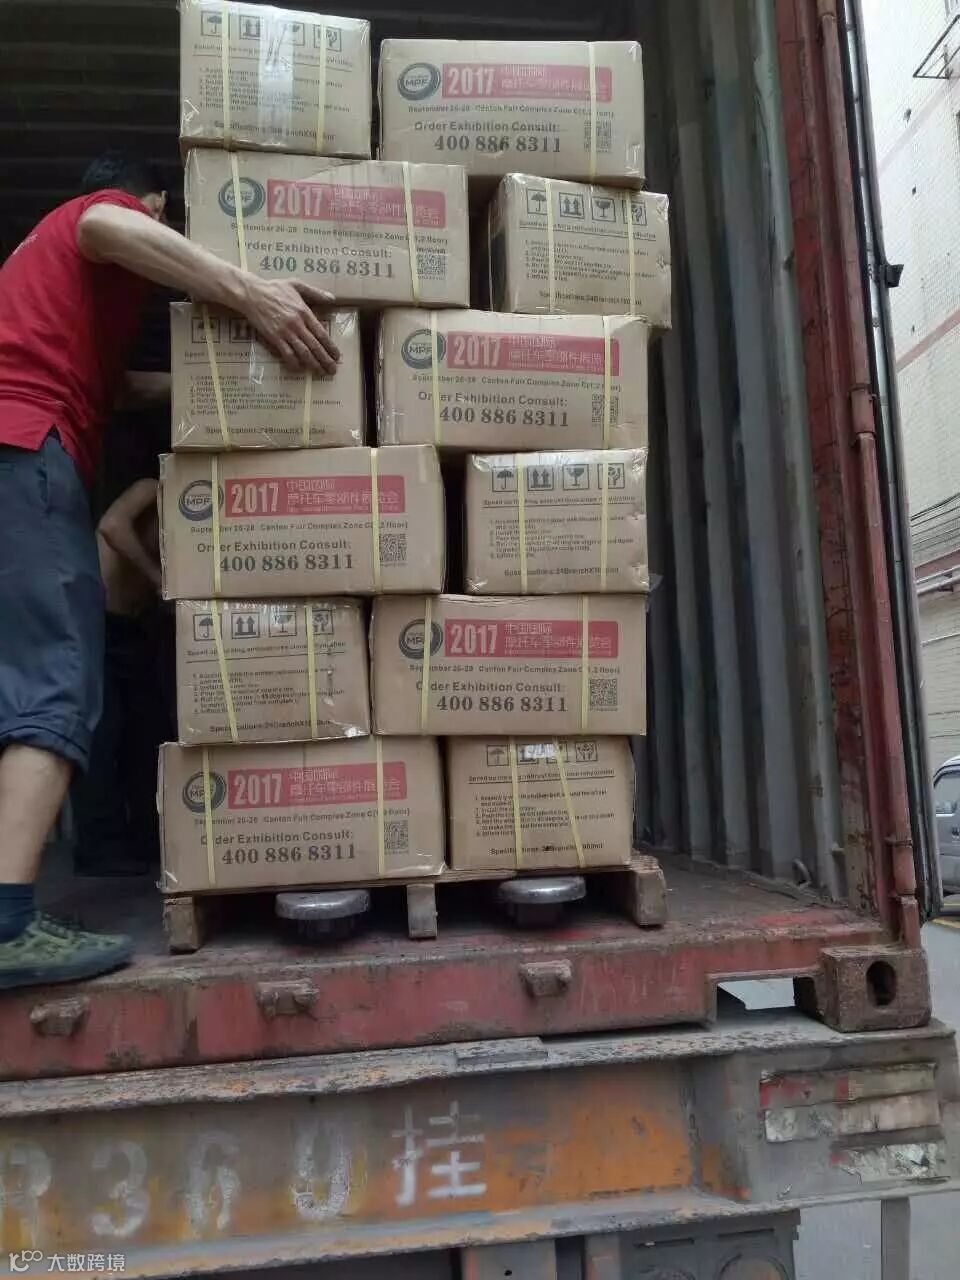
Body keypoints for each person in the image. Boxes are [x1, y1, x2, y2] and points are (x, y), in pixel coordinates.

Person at [0, 149, 340, 989]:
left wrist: (231, 379)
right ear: (153, 201)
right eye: (165, 214)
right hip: (25, 447)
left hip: (19, 450)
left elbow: (122, 391)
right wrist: (252, 294)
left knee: (28, 670)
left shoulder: (56, 300)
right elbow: (103, 225)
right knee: (61, 674)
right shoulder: (101, 216)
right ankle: (6, 924)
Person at [71, 478, 172, 877]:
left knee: (147, 732)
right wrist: (157, 578)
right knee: (102, 731)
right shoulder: (153, 488)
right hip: (96, 621)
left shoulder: (201, 512)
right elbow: (111, 527)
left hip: (135, 628)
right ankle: (98, 846)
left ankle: (148, 837)